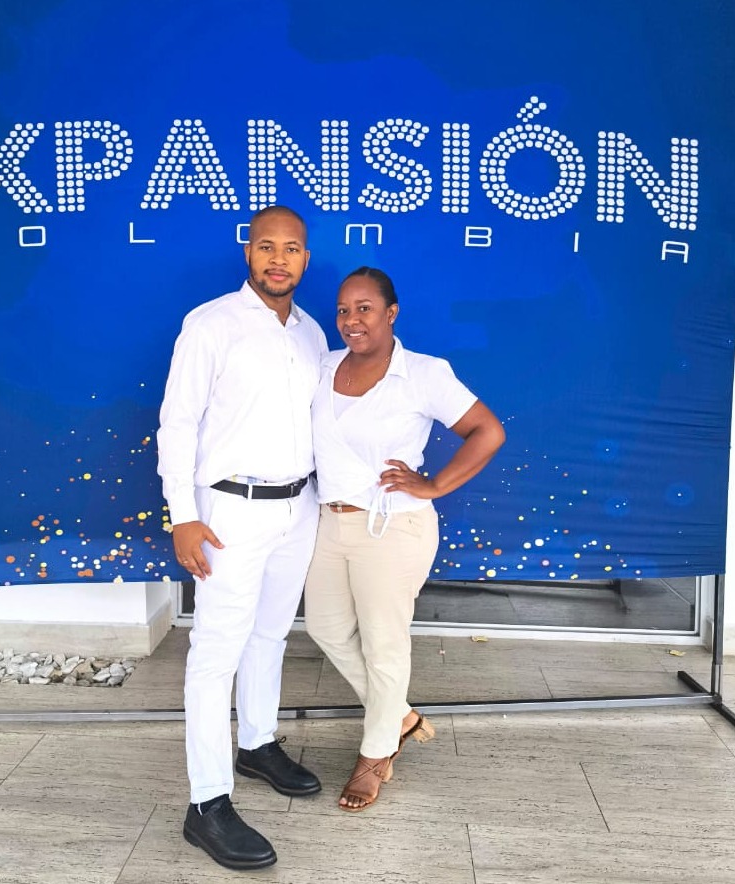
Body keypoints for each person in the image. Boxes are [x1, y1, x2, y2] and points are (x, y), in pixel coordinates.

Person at [156, 206, 328, 870]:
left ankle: (256, 744)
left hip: (297, 506)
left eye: (291, 249)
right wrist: (183, 514)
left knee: (270, 634)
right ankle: (206, 804)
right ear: (248, 253)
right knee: (215, 653)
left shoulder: (313, 333)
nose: (278, 259)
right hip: (229, 510)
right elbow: (177, 423)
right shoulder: (211, 324)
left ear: (305, 258)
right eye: (266, 247)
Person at [304, 266, 505, 812]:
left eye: (364, 308)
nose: (351, 320)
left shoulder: (423, 373)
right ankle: (399, 716)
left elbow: (488, 431)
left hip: (393, 526)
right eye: (343, 310)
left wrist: (435, 484)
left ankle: (375, 756)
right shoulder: (323, 366)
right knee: (325, 628)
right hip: (330, 520)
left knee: (383, 644)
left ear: (391, 313)